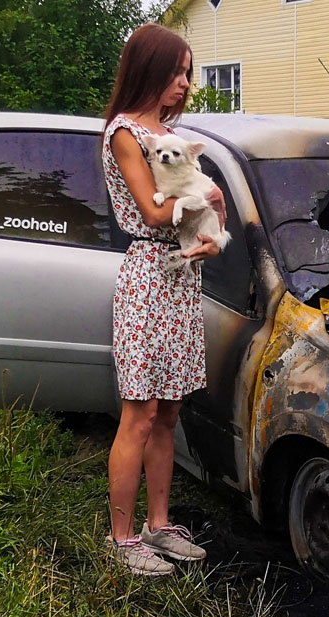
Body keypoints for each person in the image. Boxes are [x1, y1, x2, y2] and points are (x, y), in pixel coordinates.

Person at [101, 23, 225, 576]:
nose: (184, 84)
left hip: (180, 278)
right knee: (140, 412)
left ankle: (158, 525)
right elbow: (153, 213)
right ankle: (122, 537)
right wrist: (204, 196)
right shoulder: (126, 134)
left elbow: (197, 211)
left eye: (188, 74)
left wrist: (208, 240)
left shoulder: (173, 134)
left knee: (170, 410)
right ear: (148, 68)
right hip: (147, 276)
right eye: (176, 72)